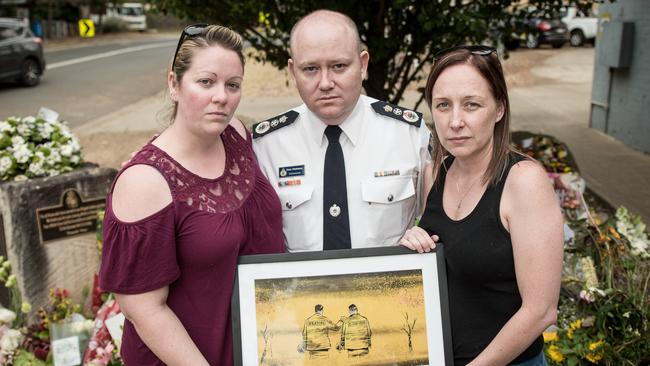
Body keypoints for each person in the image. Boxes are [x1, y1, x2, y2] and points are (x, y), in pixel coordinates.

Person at [98, 24, 284, 365]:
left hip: (260, 347)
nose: (221, 97)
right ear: (174, 84)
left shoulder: (237, 135)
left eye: (233, 85)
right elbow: (144, 310)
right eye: (206, 82)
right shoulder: (145, 183)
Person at [399, 45, 564, 365]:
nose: (455, 121)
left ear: (499, 108)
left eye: (471, 105)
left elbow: (541, 310)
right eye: (443, 105)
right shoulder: (440, 172)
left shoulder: (523, 181)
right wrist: (413, 241)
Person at [252, 10, 433, 252]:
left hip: (387, 287)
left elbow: (439, 222)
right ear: (293, 72)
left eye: (338, 66)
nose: (325, 83)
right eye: (310, 69)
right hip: (301, 289)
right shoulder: (266, 146)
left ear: (363, 65)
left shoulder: (408, 134)